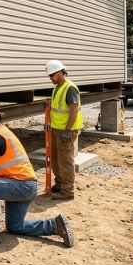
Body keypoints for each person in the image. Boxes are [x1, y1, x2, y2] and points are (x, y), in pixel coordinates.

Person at [0, 104, 75, 247]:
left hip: (20, 185)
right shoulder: (3, 132)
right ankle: (54, 225)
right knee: (14, 226)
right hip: (27, 185)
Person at [45, 60, 83, 200]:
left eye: (52, 75)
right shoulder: (57, 87)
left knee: (65, 161)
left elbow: (74, 110)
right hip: (57, 129)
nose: (51, 78)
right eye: (49, 76)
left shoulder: (70, 88)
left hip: (66, 130)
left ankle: (68, 191)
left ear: (61, 72)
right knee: (55, 160)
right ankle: (60, 184)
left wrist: (67, 131)